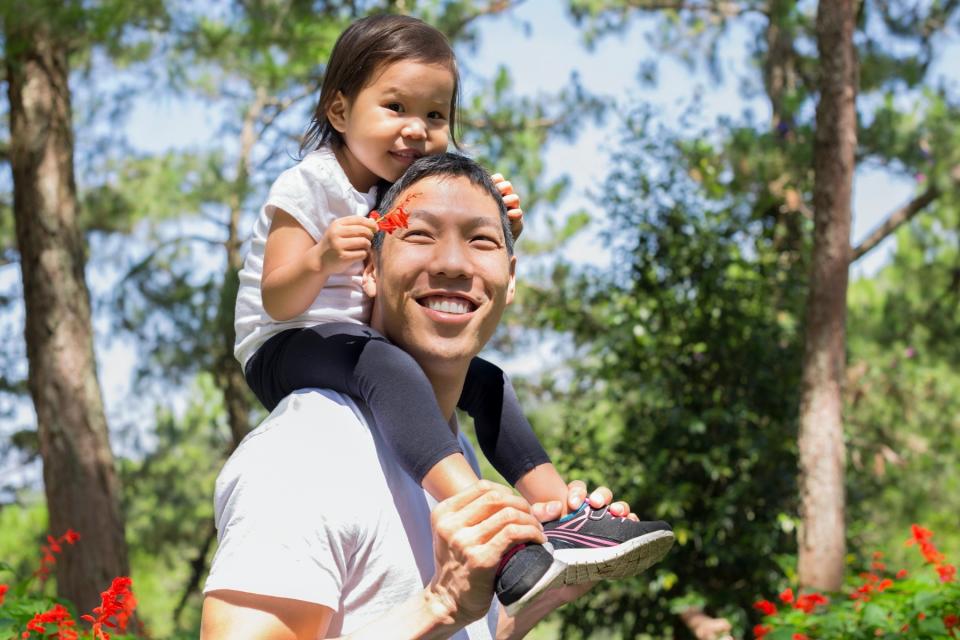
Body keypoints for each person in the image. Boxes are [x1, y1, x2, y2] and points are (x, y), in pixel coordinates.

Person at [231, 14, 672, 608]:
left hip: (362, 343)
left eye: (435, 115)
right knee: (386, 367)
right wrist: (319, 257)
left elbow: (450, 216)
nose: (416, 130)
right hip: (286, 341)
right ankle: (491, 526)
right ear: (339, 113)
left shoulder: (400, 180)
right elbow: (275, 297)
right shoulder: (310, 184)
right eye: (395, 107)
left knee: (484, 380)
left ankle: (566, 520)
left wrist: (497, 213)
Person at [203, 155, 674, 638]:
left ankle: (569, 528)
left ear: (509, 278)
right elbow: (443, 614)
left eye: (482, 240)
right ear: (368, 268)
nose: (452, 263)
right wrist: (441, 603)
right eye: (420, 235)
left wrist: (550, 583)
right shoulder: (306, 452)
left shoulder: (453, 452)